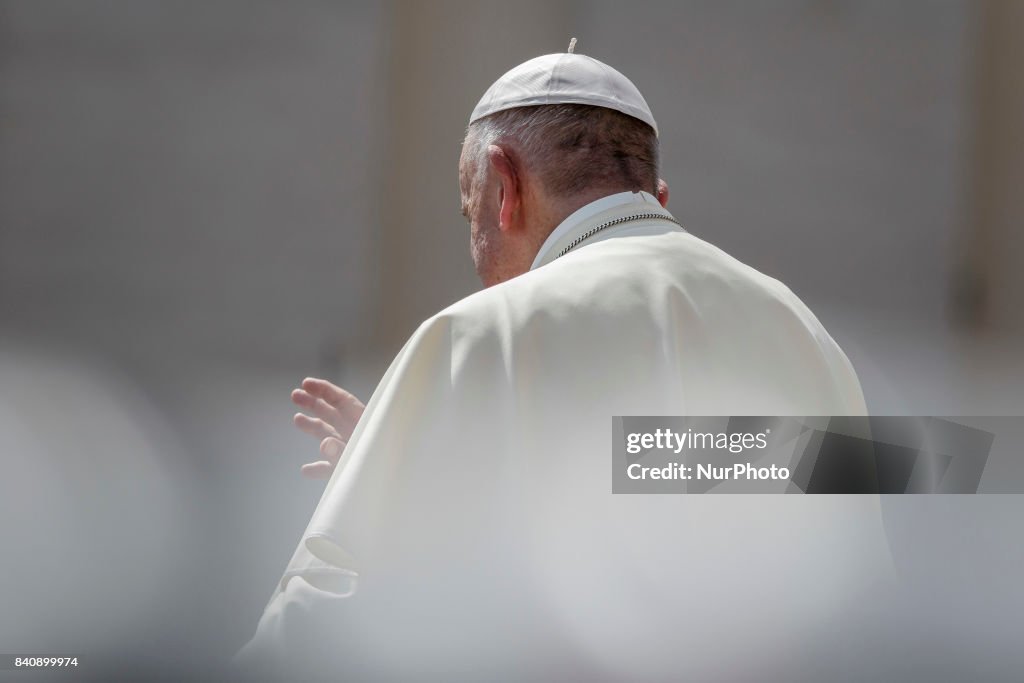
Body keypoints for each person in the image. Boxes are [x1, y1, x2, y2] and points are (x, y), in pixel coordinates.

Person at [236, 47, 892, 681]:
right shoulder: (806, 333)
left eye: (471, 213)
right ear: (655, 198)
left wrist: (399, 492)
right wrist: (421, 462)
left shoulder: (480, 335)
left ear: (503, 185)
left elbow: (331, 612)